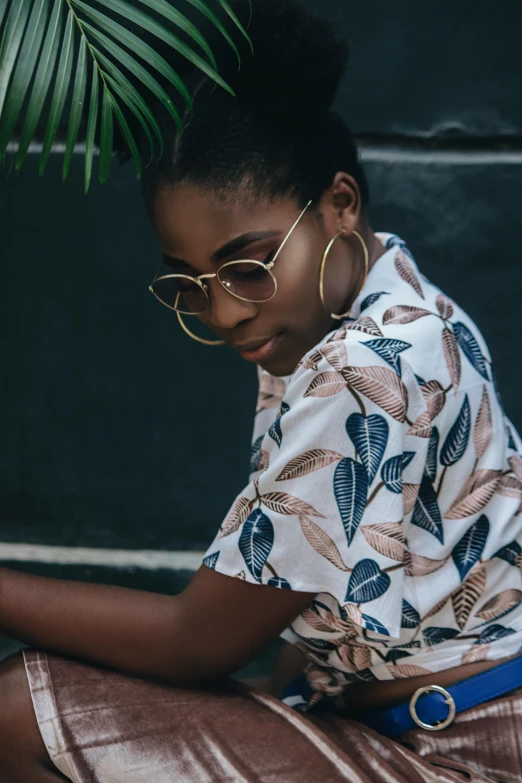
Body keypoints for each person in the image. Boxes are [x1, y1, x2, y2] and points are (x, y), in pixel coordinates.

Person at [1, 1, 522, 780]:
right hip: (389, 718)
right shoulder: (398, 302)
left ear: (340, 203)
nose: (223, 311)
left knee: (19, 712)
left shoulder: (365, 363)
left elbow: (194, 639)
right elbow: (326, 579)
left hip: (460, 755)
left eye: (247, 266)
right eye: (191, 282)